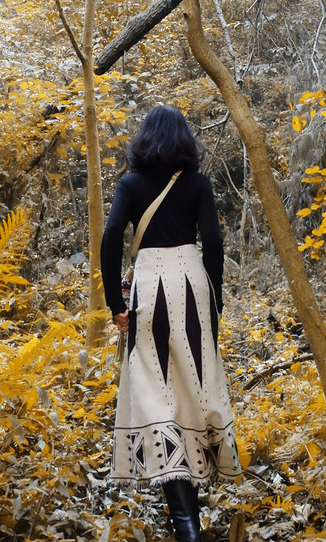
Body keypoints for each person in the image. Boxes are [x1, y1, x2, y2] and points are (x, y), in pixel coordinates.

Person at [100, 105, 242, 542]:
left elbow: (111, 236)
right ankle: (188, 522)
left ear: (144, 140)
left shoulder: (130, 184)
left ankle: (185, 524)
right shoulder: (198, 183)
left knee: (157, 394)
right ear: (184, 141)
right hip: (193, 286)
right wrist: (214, 300)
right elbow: (213, 241)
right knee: (191, 393)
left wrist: (114, 303)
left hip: (150, 291)